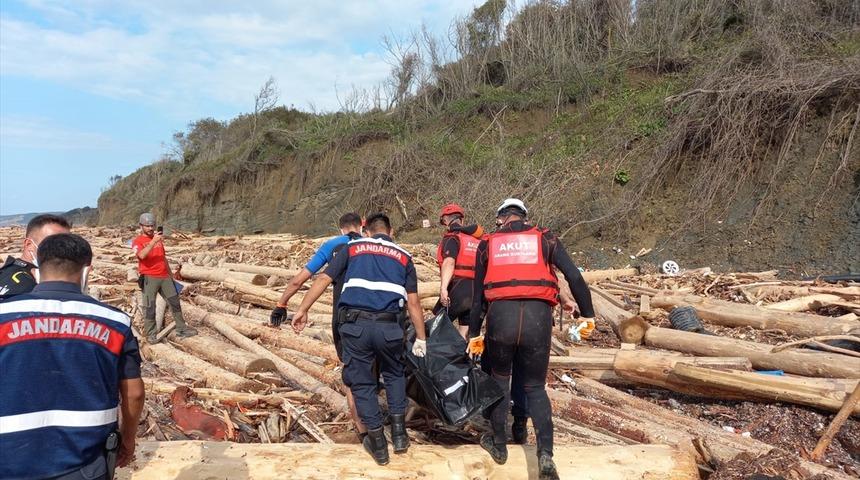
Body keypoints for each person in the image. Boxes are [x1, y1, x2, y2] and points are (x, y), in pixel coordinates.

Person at [0, 233, 145, 479]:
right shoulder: (115, 322)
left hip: (10, 461)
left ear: (37, 265)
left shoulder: (5, 315)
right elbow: (134, 393)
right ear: (87, 269)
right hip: (85, 463)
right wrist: (128, 438)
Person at [468, 198, 595, 480]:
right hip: (538, 319)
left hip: (502, 318)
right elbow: (573, 276)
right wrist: (588, 315)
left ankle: (498, 446)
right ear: (525, 217)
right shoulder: (545, 237)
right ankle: (545, 455)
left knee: (500, 380)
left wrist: (475, 334)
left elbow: (477, 298)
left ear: (501, 218)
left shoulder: (487, 243)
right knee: (535, 387)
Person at [291, 213, 427, 466]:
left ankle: (377, 444)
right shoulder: (404, 256)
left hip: (356, 327)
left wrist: (303, 308)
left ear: (367, 231)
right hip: (390, 327)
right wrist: (421, 338)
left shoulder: (352, 248)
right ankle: (399, 436)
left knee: (363, 383)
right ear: (391, 231)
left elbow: (324, 278)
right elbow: (414, 302)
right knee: (395, 374)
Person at [269, 212, 367, 438]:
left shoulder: (332, 246)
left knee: (349, 370)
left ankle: (361, 429)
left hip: (345, 316)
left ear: (341, 228)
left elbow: (300, 279)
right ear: (361, 225)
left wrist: (282, 303)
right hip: (379, 316)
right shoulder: (373, 245)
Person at [132, 213, 196, 343]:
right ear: (141, 226)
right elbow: (142, 256)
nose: (150, 228)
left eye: (152, 225)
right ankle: (150, 334)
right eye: (147, 226)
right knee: (150, 307)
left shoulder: (158, 239)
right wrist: (153, 242)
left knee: (175, 302)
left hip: (164, 276)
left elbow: (163, 257)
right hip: (149, 277)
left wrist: (171, 275)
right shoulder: (137, 241)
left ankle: (181, 328)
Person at [434, 203, 484, 338]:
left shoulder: (452, 237)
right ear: (461, 219)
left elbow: (449, 262)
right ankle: (460, 356)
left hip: (457, 287)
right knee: (464, 332)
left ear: (445, 220)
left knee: (435, 326)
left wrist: (443, 288)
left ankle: (434, 357)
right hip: (476, 291)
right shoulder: (476, 240)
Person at [0, 214, 71, 299]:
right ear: (29, 244)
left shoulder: (8, 270)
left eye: (66, 244)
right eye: (51, 243)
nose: (61, 249)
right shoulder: (28, 286)